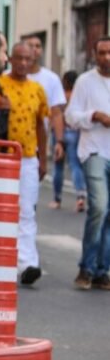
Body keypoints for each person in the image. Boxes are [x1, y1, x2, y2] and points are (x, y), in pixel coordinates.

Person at [0, 42, 49, 285]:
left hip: (28, 159)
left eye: (28, 59)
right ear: (10, 59)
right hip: (1, 157)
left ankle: (27, 264)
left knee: (26, 211)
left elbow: (40, 126)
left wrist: (42, 158)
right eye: (19, 58)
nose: (24, 63)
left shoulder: (37, 89)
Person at [64, 36, 110, 291]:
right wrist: (94, 116)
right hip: (94, 152)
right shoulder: (85, 81)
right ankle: (86, 267)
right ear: (95, 54)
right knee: (99, 207)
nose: (106, 58)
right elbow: (71, 117)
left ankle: (103, 271)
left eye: (109, 53)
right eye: (101, 53)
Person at [24, 35, 66, 173]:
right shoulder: (5, 78)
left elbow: (56, 113)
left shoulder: (52, 79)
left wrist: (59, 142)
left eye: (38, 46)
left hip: (37, 145)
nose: (34, 49)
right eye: (30, 45)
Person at [50, 70, 86, 211]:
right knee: (76, 165)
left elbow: (55, 115)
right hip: (75, 133)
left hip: (60, 133)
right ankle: (80, 196)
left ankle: (57, 199)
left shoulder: (61, 97)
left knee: (58, 166)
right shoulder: (78, 97)